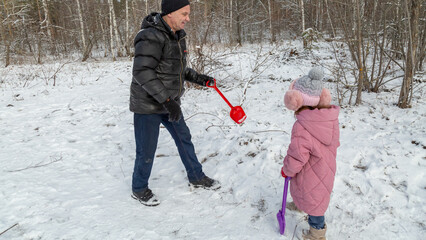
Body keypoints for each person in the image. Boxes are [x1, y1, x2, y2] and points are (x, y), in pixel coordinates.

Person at [129, 0, 220, 207]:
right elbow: (142, 72)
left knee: (184, 138)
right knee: (147, 149)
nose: (188, 18)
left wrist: (199, 78)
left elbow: (176, 69)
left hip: (169, 102)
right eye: (184, 13)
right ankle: (139, 188)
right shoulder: (149, 36)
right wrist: (167, 100)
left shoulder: (177, 36)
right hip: (148, 105)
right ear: (170, 13)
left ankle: (197, 177)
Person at [280, 68, 340, 240]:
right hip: (325, 168)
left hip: (311, 171)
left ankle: (317, 234)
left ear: (297, 101)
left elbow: (297, 156)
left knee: (314, 203)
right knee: (314, 195)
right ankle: (300, 204)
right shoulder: (329, 119)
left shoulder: (302, 126)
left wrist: (287, 170)